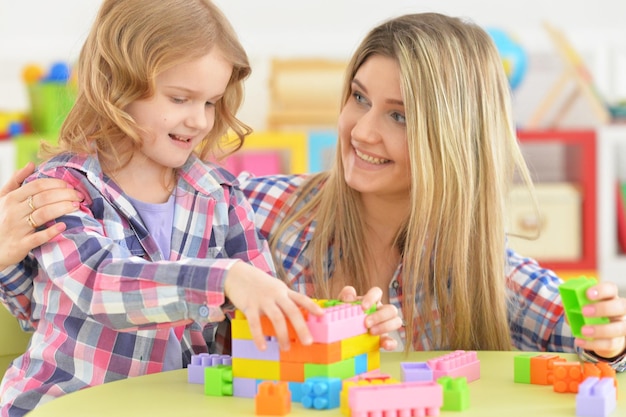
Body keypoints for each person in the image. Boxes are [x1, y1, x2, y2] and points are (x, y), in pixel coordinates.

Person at [2, 10, 625, 381]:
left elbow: (596, 348)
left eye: (400, 116)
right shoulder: (252, 205)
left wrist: (611, 340)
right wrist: (8, 260)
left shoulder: (481, 270)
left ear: (453, 137)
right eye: (359, 97)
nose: (363, 130)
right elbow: (82, 305)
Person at [0, 0, 341, 415]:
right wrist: (226, 278)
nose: (199, 120)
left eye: (211, 102)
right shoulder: (62, 188)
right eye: (180, 98)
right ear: (116, 86)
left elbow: (257, 321)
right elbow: (101, 286)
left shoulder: (221, 196)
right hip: (64, 403)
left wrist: (336, 327)